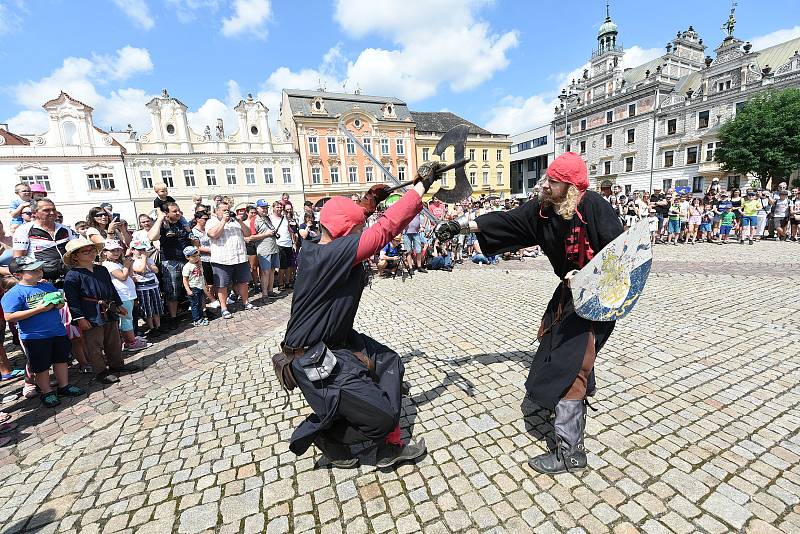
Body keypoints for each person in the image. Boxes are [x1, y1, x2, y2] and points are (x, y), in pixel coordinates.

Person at [435, 152, 623, 474]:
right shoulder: (543, 210)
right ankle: (566, 390)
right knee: (554, 350)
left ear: (570, 186)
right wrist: (460, 227)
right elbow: (507, 221)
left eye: (553, 181)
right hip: (568, 297)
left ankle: (570, 454)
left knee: (570, 367)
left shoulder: (593, 207)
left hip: (597, 301)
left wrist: (589, 275)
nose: (546, 185)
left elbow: (621, 254)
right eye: (548, 179)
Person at [277, 170, 445, 470]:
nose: (362, 230)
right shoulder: (329, 254)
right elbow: (383, 231)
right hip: (312, 356)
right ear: (347, 232)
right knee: (381, 418)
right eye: (358, 227)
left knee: (390, 362)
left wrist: (368, 203)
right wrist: (419, 190)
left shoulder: (324, 244)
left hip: (336, 339)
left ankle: (387, 446)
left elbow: (349, 222)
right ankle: (328, 434)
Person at [2, 257, 85, 407]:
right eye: (33, 270)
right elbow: (9, 316)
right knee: (41, 366)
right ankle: (46, 391)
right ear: (18, 275)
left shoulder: (47, 286)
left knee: (61, 360)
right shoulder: (15, 293)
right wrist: (39, 309)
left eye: (40, 269)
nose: (39, 272)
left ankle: (63, 386)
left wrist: (59, 303)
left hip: (57, 331)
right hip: (34, 336)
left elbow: (60, 303)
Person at [63, 238, 133, 384]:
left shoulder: (101, 269)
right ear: (75, 256)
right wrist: (80, 318)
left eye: (92, 250)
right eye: (85, 251)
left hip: (108, 308)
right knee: (94, 344)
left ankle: (116, 365)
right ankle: (101, 371)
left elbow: (111, 288)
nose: (90, 253)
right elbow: (72, 300)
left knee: (113, 339)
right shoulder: (72, 275)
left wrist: (118, 304)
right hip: (89, 312)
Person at [148, 202, 196, 330]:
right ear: (166, 213)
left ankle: (197, 312)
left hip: (187, 260)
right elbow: (152, 237)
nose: (178, 213)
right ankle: (173, 318)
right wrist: (159, 219)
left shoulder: (183, 223)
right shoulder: (163, 225)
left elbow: (192, 239)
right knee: (172, 292)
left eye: (179, 210)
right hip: (170, 261)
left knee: (194, 286)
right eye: (174, 211)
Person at [206, 201, 256, 319]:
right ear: (217, 211)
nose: (227, 212)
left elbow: (248, 234)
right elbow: (213, 234)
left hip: (240, 257)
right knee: (222, 285)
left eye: (228, 209)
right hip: (222, 259)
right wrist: (223, 220)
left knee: (243, 282)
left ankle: (246, 302)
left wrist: (240, 221)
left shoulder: (236, 221)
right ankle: (224, 308)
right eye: (224, 210)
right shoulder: (211, 222)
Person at [12, 198, 76, 283]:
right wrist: (34, 277)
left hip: (69, 274)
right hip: (43, 278)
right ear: (35, 213)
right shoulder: (24, 230)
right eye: (46, 210)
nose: (52, 213)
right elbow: (19, 258)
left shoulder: (65, 229)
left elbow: (76, 250)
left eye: (54, 209)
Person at [101, 240, 149, 351]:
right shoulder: (108, 264)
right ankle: (130, 342)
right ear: (105, 252)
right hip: (122, 295)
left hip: (128, 294)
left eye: (118, 250)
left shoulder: (117, 263)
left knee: (128, 318)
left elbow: (130, 275)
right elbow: (122, 276)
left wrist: (129, 265)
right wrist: (126, 266)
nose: (116, 252)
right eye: (112, 250)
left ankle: (130, 339)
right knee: (126, 319)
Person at [130, 239, 163, 337]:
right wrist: (144, 259)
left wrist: (147, 261)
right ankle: (151, 327)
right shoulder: (132, 262)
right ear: (132, 250)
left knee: (156, 307)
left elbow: (156, 270)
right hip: (142, 288)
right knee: (147, 309)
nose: (141, 252)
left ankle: (158, 326)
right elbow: (141, 270)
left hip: (153, 286)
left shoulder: (149, 260)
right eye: (138, 250)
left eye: (143, 249)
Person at [251, 200, 279, 300]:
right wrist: (267, 234)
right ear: (257, 208)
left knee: (272, 270)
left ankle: (270, 290)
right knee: (265, 272)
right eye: (263, 208)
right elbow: (252, 237)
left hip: (273, 247)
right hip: (263, 249)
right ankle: (265, 293)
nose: (265, 209)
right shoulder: (255, 219)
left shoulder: (267, 218)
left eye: (266, 207)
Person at [191, 212, 219, 309]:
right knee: (208, 282)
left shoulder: (208, 228)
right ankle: (211, 300)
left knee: (216, 280)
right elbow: (196, 247)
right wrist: (212, 250)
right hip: (204, 259)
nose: (207, 220)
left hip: (215, 257)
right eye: (204, 218)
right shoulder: (194, 231)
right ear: (197, 219)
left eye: (208, 218)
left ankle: (216, 298)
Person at [181, 246, 208, 326]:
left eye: (197, 256)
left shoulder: (199, 264)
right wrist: (188, 290)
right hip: (193, 287)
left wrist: (205, 284)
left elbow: (202, 275)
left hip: (200, 286)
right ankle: (196, 319)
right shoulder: (187, 267)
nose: (196, 258)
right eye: (193, 257)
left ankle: (200, 317)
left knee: (199, 303)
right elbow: (185, 279)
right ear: (187, 257)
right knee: (195, 304)